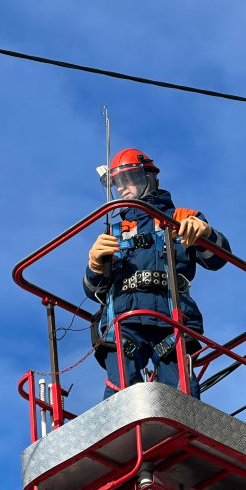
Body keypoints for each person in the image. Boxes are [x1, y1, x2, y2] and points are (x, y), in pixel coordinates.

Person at [84, 148, 231, 399]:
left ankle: (183, 431)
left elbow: (219, 259)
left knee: (181, 391)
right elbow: (93, 291)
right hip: (125, 317)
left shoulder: (183, 218)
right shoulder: (114, 232)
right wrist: (95, 264)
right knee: (121, 388)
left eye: (129, 179)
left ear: (149, 179)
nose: (122, 188)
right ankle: (127, 434)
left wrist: (205, 234)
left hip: (172, 314)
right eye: (118, 183)